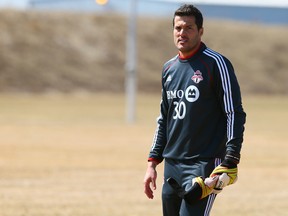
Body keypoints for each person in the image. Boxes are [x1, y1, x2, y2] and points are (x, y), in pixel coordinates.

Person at [143, 4, 246, 216]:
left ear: (200, 31)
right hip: (172, 165)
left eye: (189, 28)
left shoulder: (216, 64)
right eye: (178, 28)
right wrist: (152, 163)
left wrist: (231, 157)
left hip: (204, 164)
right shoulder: (168, 68)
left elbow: (234, 113)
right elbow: (165, 118)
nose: (182, 33)